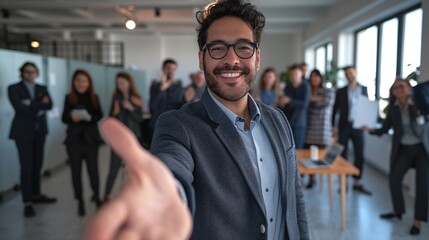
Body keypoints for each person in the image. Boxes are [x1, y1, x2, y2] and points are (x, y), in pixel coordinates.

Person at [85, 0, 309, 239]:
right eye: (218, 48)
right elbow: (173, 166)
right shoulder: (179, 125)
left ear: (257, 58)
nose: (232, 60)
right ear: (202, 60)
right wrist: (167, 192)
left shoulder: (278, 120)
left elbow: (295, 198)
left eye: (243, 47)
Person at [368, 78, 429, 235]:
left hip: (422, 149)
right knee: (394, 178)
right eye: (395, 88)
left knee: (422, 185)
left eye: (402, 86)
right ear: (393, 92)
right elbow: (385, 127)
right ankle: (398, 211)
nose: (399, 90)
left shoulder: (419, 102)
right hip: (404, 149)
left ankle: (417, 221)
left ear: (409, 88)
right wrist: (370, 129)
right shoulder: (394, 108)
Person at [8, 61, 57, 218]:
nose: (30, 74)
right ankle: (27, 202)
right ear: (22, 73)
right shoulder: (14, 88)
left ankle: (36, 194)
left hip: (39, 132)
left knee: (37, 165)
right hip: (22, 133)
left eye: (33, 71)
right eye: (27, 72)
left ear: (37, 73)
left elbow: (49, 106)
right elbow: (19, 107)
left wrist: (30, 103)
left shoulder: (42, 88)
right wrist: (38, 106)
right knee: (26, 167)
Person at [62, 69, 103, 216]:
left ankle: (97, 196)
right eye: (78, 80)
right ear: (74, 82)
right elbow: (63, 118)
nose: (81, 83)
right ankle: (80, 200)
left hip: (91, 140)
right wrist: (71, 118)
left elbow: (99, 115)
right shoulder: (69, 97)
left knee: (93, 171)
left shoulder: (94, 97)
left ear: (89, 83)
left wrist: (88, 118)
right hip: (74, 141)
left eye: (84, 81)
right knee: (76, 172)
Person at [331, 65, 372, 195]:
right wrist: (333, 126)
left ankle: (357, 182)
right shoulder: (341, 91)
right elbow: (334, 110)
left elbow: (367, 107)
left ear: (355, 73)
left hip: (358, 126)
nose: (349, 75)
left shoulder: (364, 89)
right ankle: (344, 181)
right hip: (344, 126)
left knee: (359, 154)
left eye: (351, 73)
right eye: (346, 74)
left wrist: (368, 123)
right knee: (343, 154)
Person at [103, 72, 143, 202]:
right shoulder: (116, 97)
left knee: (132, 168)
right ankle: (107, 196)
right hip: (118, 137)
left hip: (132, 138)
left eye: (122, 83)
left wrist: (131, 108)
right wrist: (115, 112)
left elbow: (140, 119)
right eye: (118, 83)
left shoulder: (136, 98)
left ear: (129, 83)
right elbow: (110, 118)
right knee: (113, 168)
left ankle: (133, 197)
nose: (120, 86)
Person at [304, 69, 335, 188]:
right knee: (310, 154)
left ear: (320, 78)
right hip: (310, 126)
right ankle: (312, 179)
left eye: (317, 76)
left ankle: (324, 179)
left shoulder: (327, 90)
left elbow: (325, 102)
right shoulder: (308, 90)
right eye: (312, 76)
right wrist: (313, 99)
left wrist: (311, 99)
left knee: (323, 156)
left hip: (322, 128)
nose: (314, 79)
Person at [149, 58, 185, 138]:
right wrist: (162, 89)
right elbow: (152, 106)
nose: (171, 71)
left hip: (174, 125)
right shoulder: (155, 86)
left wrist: (188, 100)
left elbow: (182, 107)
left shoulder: (179, 87)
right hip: (157, 125)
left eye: (173, 69)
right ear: (163, 69)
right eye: (168, 68)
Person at [278, 64, 310, 149]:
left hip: (299, 122)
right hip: (287, 121)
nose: (293, 76)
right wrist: (281, 103)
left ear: (301, 74)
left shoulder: (305, 86)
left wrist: (289, 100)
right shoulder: (288, 87)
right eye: (291, 74)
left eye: (296, 74)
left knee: (298, 150)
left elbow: (305, 104)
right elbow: (284, 106)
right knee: (287, 148)